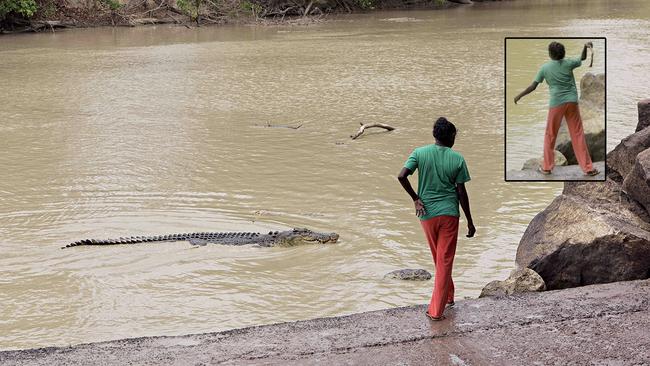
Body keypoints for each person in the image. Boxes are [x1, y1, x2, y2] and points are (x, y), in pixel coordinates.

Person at [397, 117, 475, 321]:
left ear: (435, 135)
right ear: (450, 137)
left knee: (440, 259)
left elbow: (402, 176)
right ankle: (436, 311)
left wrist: (415, 199)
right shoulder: (457, 159)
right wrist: (470, 220)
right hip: (449, 214)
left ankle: (448, 296)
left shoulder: (419, 153)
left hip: (427, 214)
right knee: (445, 260)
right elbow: (461, 193)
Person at [514, 41, 599, 176]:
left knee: (550, 135)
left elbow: (533, 86)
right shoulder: (569, 63)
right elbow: (582, 58)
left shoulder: (545, 68)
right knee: (577, 134)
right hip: (572, 102)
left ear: (550, 54)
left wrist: (520, 95)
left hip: (556, 104)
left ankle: (547, 168)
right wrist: (584, 47)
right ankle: (588, 168)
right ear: (563, 53)